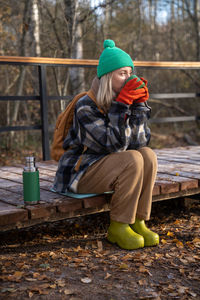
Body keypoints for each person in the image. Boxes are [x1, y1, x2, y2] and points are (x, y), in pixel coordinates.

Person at [53, 39, 159, 250]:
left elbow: (141, 142)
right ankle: (118, 226)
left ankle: (138, 221)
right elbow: (113, 146)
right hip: (79, 173)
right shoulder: (86, 105)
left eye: (131, 72)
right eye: (123, 73)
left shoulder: (124, 100)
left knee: (147, 154)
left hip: (106, 167)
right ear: (108, 76)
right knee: (133, 158)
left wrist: (138, 108)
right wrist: (121, 108)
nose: (130, 78)